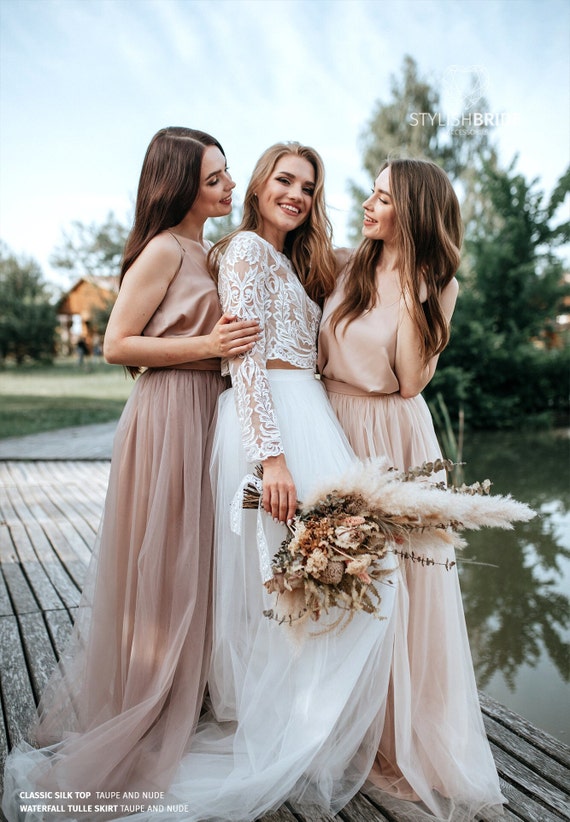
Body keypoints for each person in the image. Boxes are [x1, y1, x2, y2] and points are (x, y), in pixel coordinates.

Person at [101, 141, 400, 821]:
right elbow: (248, 361)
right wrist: (271, 457)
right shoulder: (239, 253)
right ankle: (272, 727)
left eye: (308, 186)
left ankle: (297, 723)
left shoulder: (295, 263)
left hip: (310, 415)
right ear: (261, 184)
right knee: (279, 576)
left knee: (335, 573)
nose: (296, 193)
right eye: (284, 180)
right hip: (273, 425)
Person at [2, 126, 260, 817]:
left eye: (228, 176)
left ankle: (196, 689)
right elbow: (118, 343)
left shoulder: (215, 251)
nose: (230, 188)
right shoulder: (163, 251)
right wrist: (207, 344)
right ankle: (150, 699)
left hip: (212, 412)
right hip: (170, 413)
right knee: (169, 560)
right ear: (178, 187)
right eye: (215, 180)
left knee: (206, 557)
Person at [318, 157, 505, 820]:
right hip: (328, 429)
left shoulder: (436, 282)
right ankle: (330, 723)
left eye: (382, 198)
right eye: (368, 194)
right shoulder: (345, 262)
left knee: (398, 588)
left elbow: (409, 382)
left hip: (392, 437)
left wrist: (414, 296)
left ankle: (395, 738)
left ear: (414, 212)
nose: (367, 206)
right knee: (332, 579)